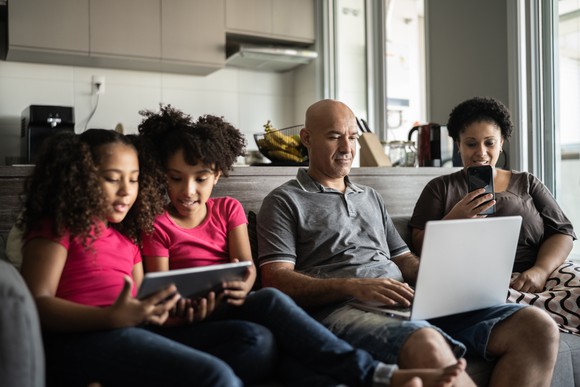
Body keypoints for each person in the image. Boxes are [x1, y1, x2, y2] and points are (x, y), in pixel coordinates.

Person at [138, 104, 467, 387]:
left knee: (279, 349)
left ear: (217, 174)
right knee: (267, 306)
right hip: (206, 315)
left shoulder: (227, 209)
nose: (188, 190)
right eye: (176, 178)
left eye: (200, 178)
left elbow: (245, 271)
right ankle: (376, 374)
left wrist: (449, 281)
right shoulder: (160, 223)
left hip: (235, 306)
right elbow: (163, 293)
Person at [257, 98, 561, 387]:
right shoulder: (285, 201)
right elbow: (275, 280)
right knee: (426, 340)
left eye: (352, 137)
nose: (347, 147)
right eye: (335, 136)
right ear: (307, 139)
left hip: (408, 300)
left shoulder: (370, 197)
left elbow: (403, 259)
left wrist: (442, 278)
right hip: (345, 309)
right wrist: (353, 285)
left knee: (536, 326)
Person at [18, 128, 276, 387]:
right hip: (84, 338)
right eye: (111, 179)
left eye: (133, 180)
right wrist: (109, 317)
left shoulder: (129, 239)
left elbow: (145, 306)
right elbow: (36, 303)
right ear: (79, 178)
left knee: (254, 340)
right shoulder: (58, 226)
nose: (126, 191)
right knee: (215, 376)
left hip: (137, 331)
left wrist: (183, 315)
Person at [409, 96, 579, 334]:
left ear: (502, 143)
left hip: (541, 273)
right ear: (458, 144)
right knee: (496, 307)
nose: (481, 152)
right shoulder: (440, 188)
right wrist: (454, 219)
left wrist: (540, 271)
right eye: (470, 144)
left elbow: (562, 232)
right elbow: (418, 245)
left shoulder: (527, 182)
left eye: (489, 143)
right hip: (478, 282)